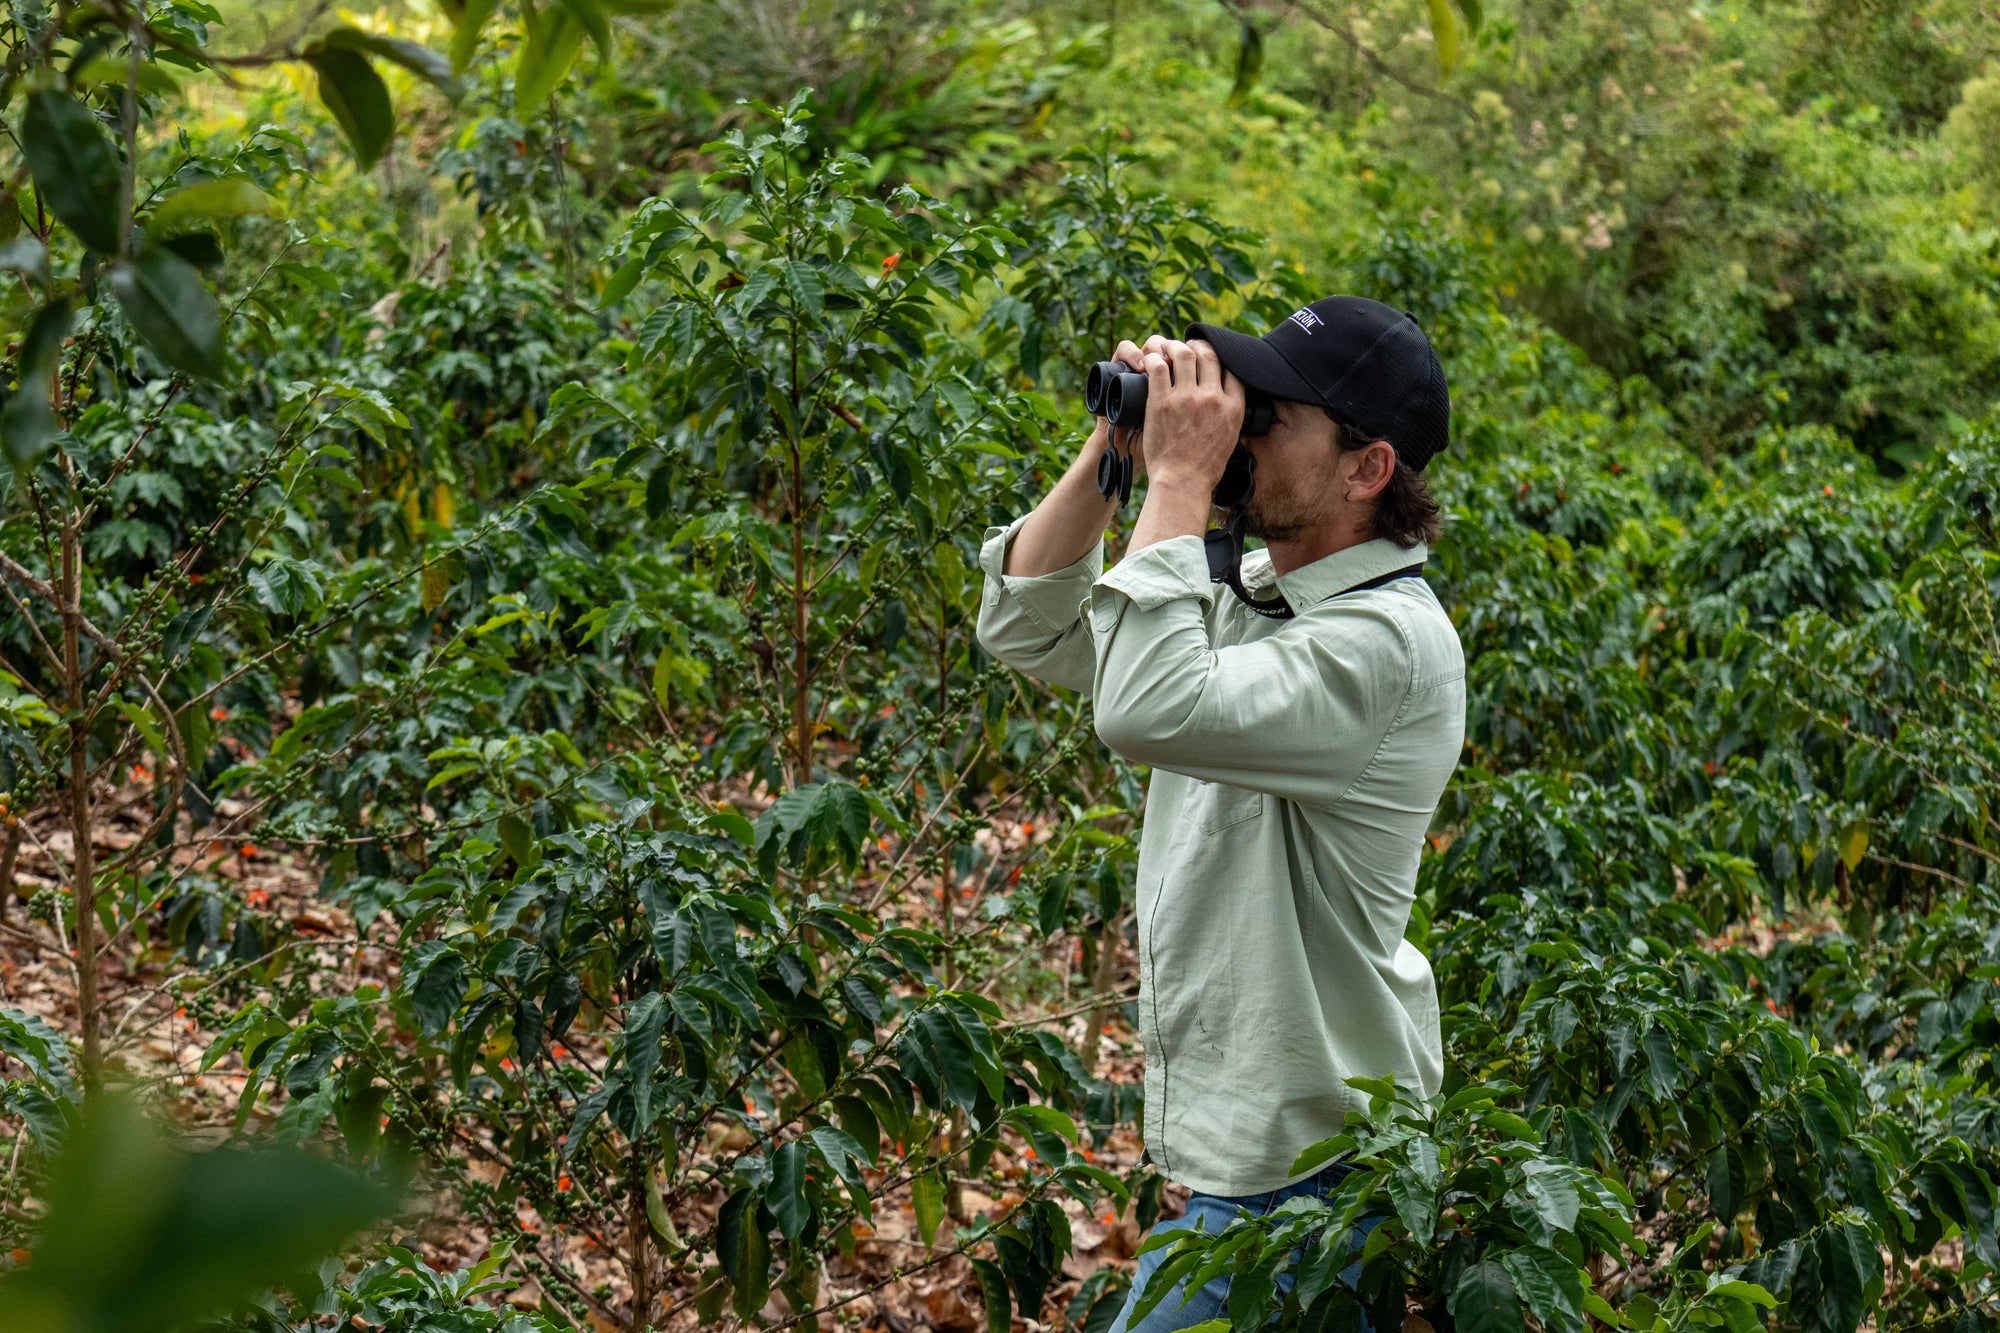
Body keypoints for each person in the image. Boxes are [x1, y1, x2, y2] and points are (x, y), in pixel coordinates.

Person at [973, 296, 1467, 1331]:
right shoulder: (1256, 590)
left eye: (1271, 416)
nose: (1238, 426)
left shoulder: (1386, 644)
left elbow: (1144, 704)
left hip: (1317, 1174)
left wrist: (1182, 478)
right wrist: (1117, 449)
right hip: (1262, 1164)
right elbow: (1029, 624)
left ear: (1365, 469)